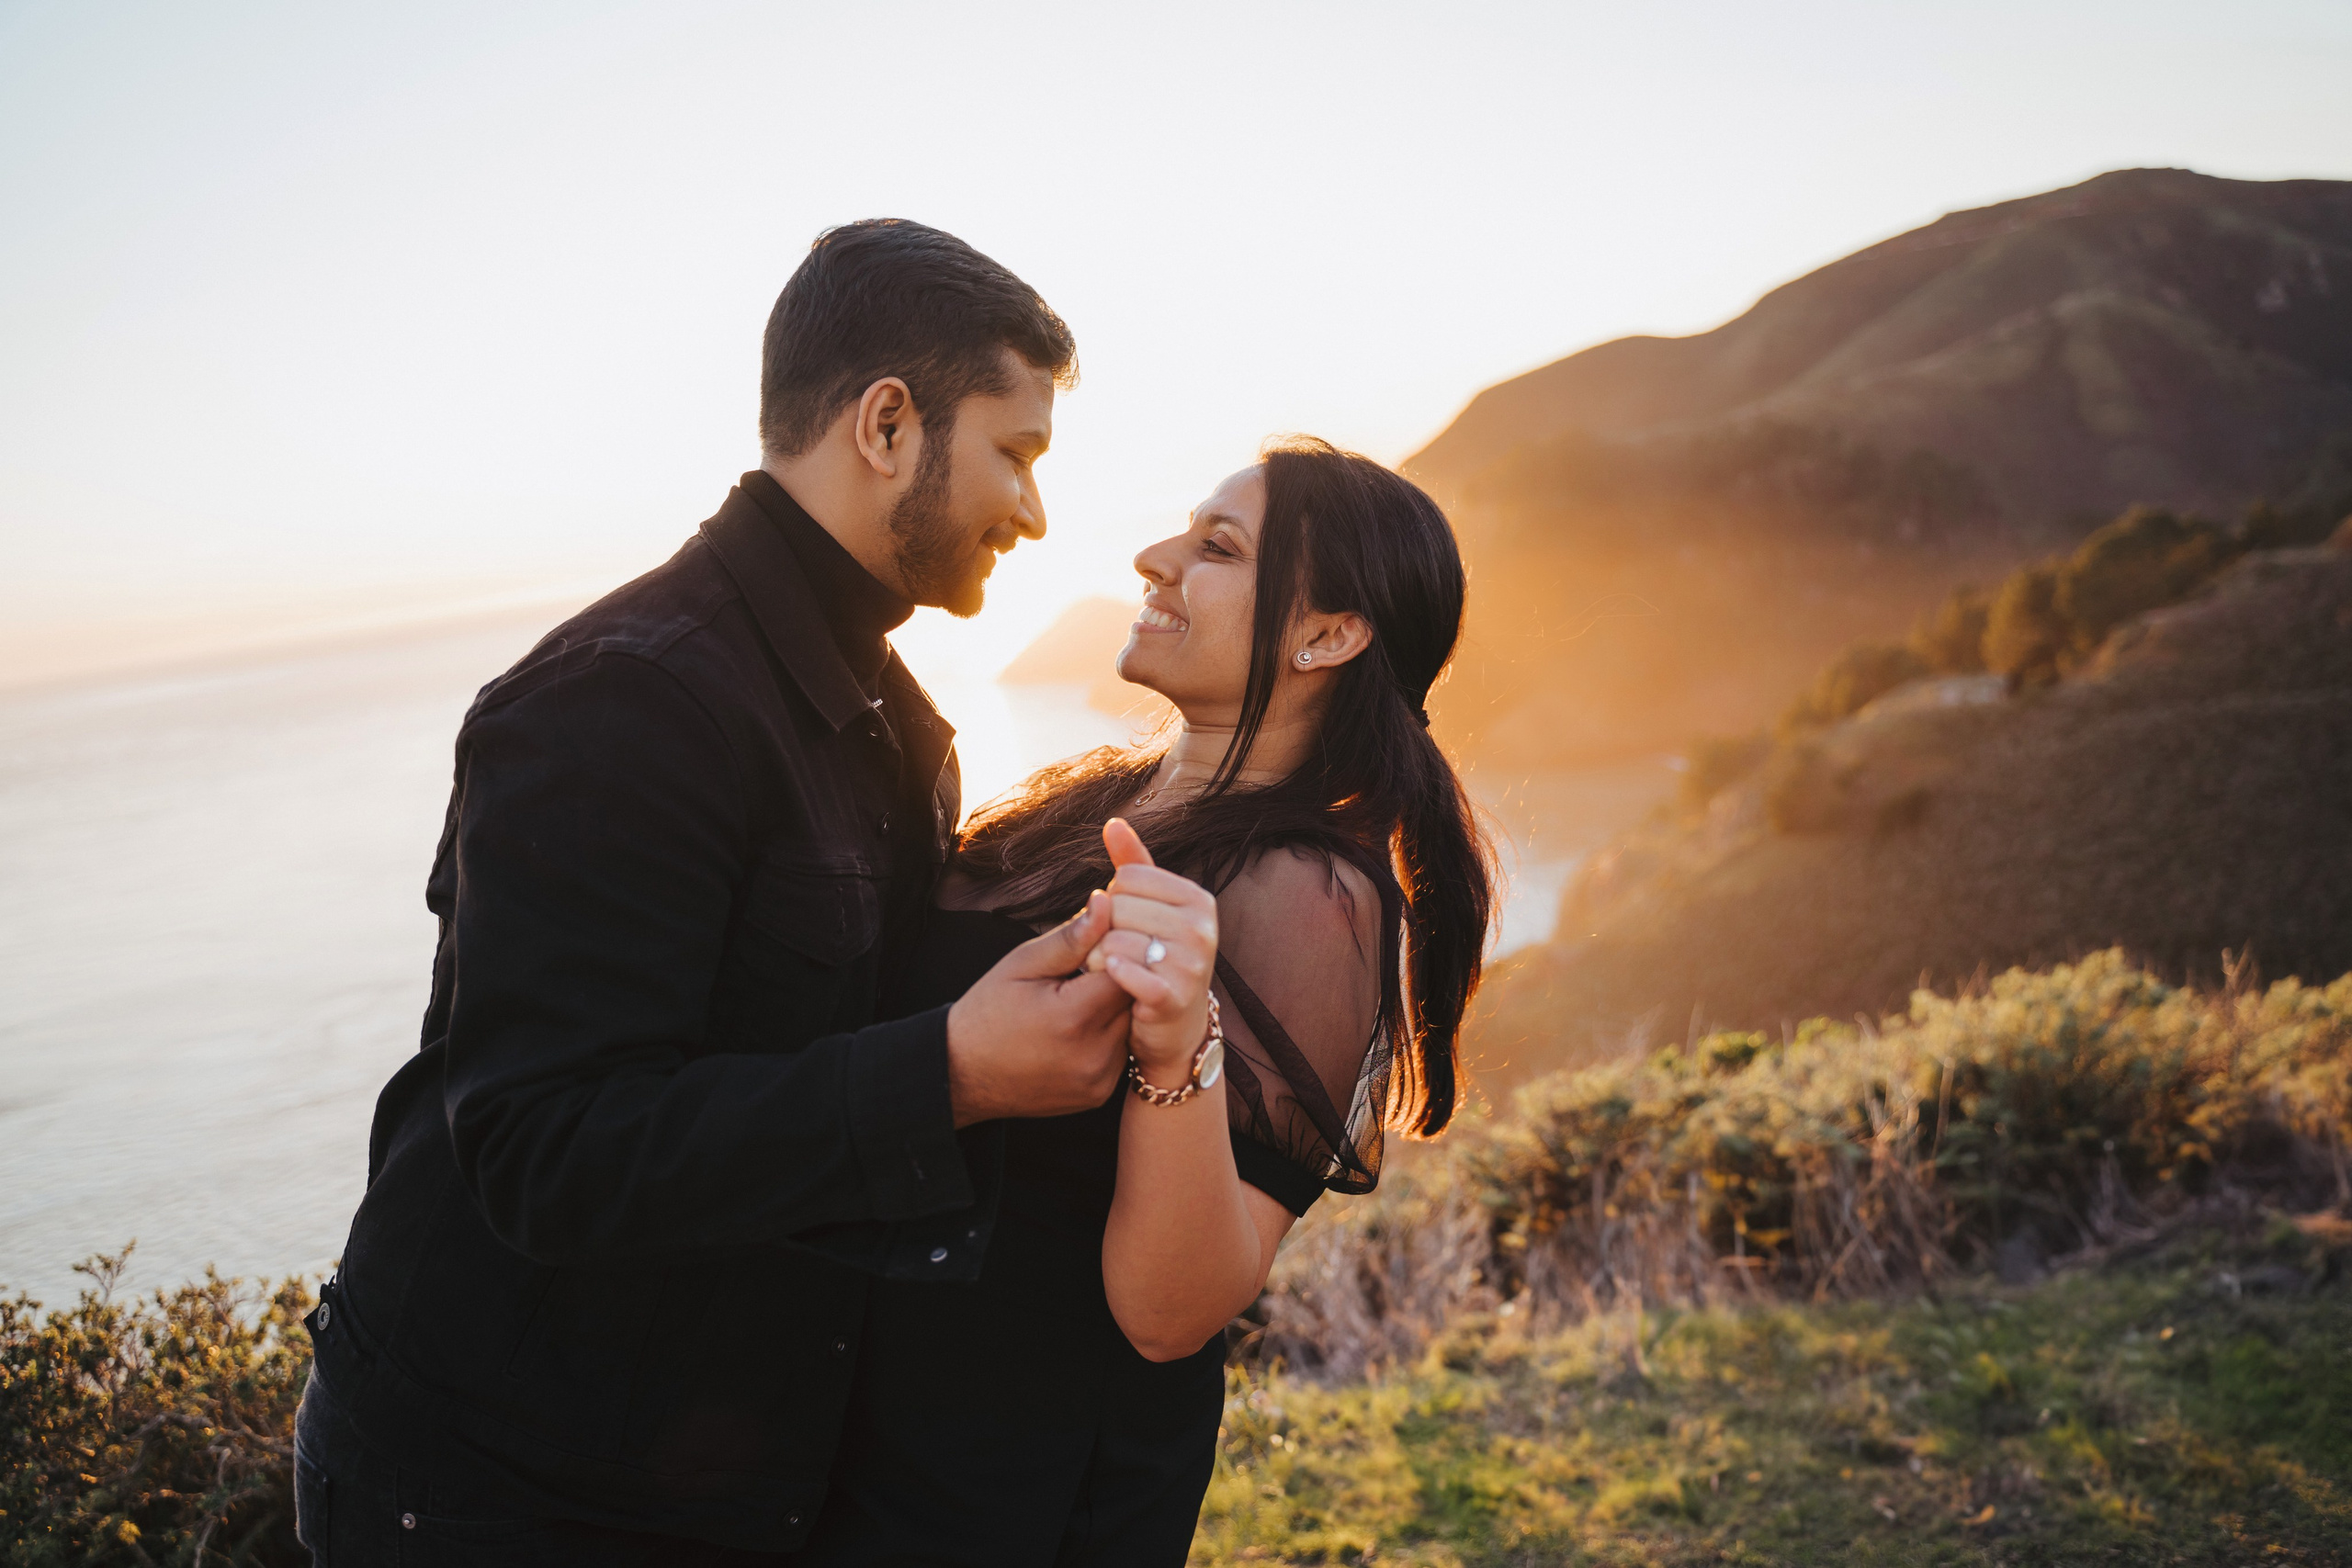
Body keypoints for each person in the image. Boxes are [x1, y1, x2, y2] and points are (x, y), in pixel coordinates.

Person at [293, 220, 1126, 1565]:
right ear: (888, 423)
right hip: (499, 1491)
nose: (1032, 508)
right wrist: (953, 1072)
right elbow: (545, 1149)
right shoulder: (626, 698)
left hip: (703, 1480)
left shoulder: (891, 718)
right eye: (1015, 452)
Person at [797, 438, 1493, 1564]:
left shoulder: (1309, 895)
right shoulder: (1088, 806)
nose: (1152, 558)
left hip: (1017, 1489)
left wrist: (1177, 1054)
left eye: (1216, 547)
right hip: (863, 1435)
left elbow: (1173, 1313)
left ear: (1327, 634)